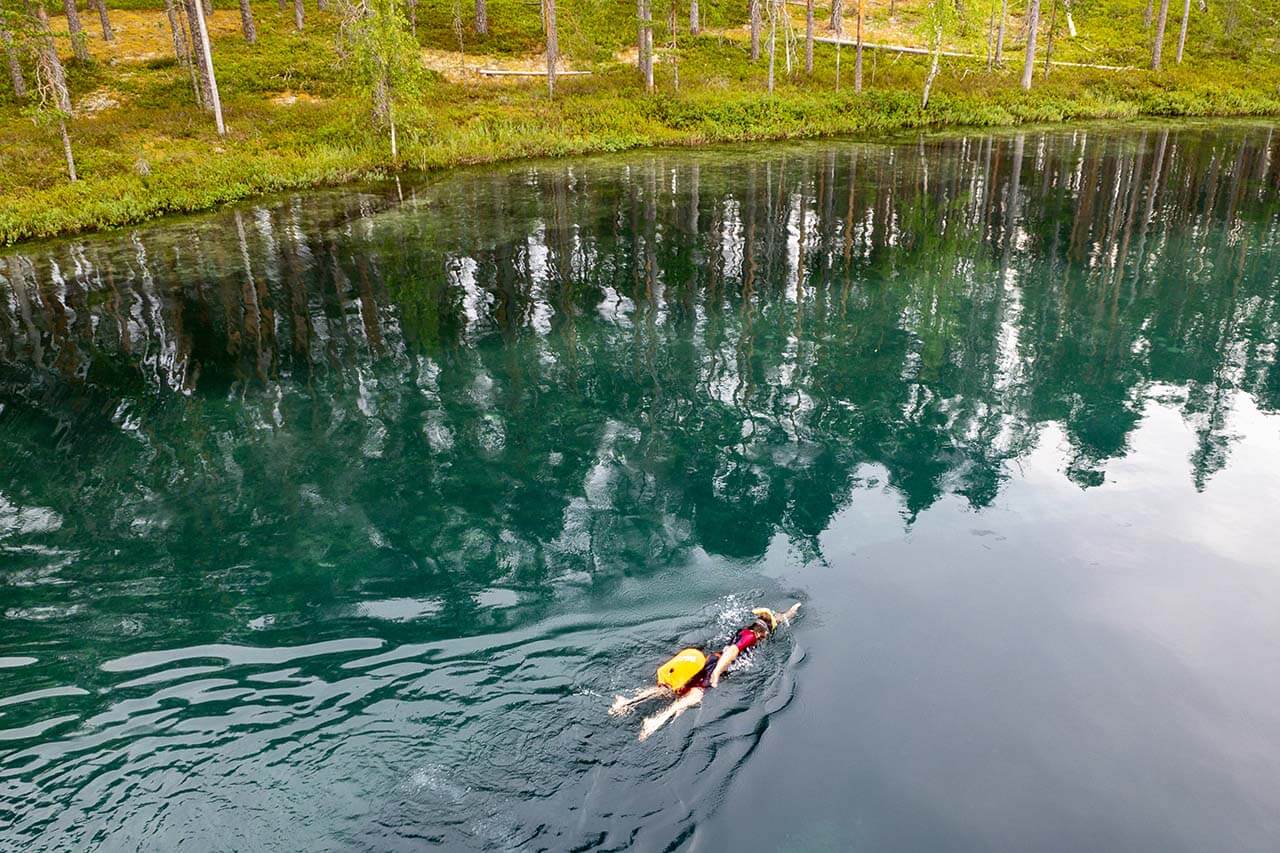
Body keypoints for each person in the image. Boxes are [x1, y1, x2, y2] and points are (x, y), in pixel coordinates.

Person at [609, 603, 801, 740]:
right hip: (715, 666)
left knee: (671, 689)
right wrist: (717, 673)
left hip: (710, 659)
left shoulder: (747, 630)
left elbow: (775, 619)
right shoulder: (751, 638)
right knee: (694, 696)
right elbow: (733, 652)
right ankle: (655, 721)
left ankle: (626, 703)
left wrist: (791, 612)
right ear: (764, 633)